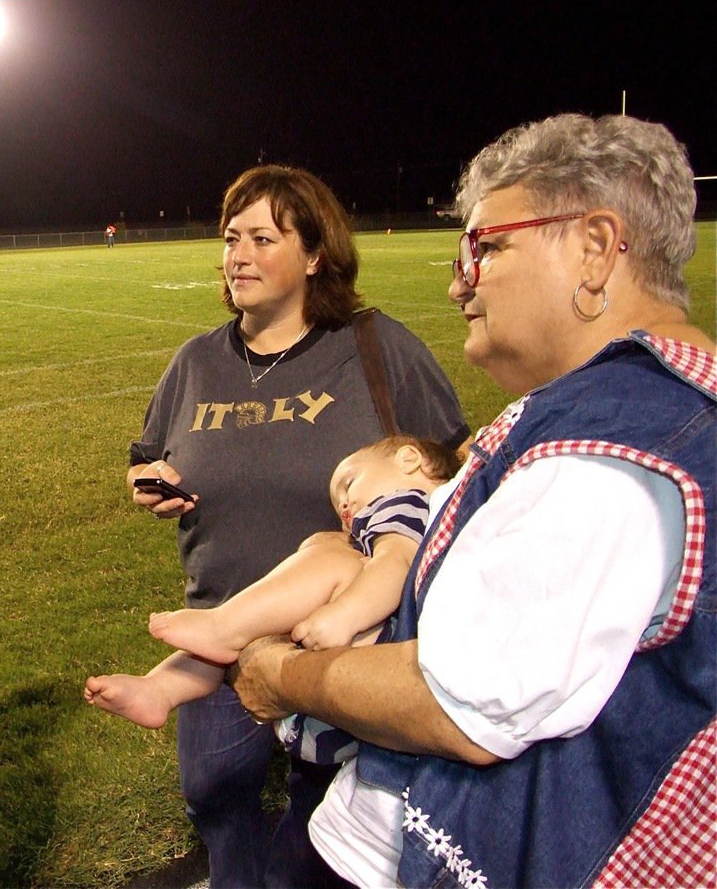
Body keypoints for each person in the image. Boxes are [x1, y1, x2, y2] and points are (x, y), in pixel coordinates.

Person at [230, 114, 716, 888]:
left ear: (595, 248)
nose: (460, 280)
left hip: (418, 855)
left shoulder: (610, 451)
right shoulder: (663, 404)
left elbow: (457, 700)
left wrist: (277, 673)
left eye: (484, 247)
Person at [119, 164, 469, 887]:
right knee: (214, 799)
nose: (238, 254)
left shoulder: (378, 347)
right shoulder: (194, 363)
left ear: (314, 254)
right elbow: (144, 458)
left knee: (325, 827)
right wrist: (148, 485)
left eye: (262, 238)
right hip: (216, 630)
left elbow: (449, 462)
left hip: (340, 640)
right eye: (230, 238)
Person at [86, 435, 460, 761]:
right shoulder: (421, 515)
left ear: (409, 460)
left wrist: (344, 615)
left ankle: (221, 626)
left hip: (368, 684)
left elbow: (397, 565)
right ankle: (162, 688)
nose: (345, 507)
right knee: (300, 580)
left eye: (349, 484)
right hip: (362, 703)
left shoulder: (406, 502)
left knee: (328, 553)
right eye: (339, 501)